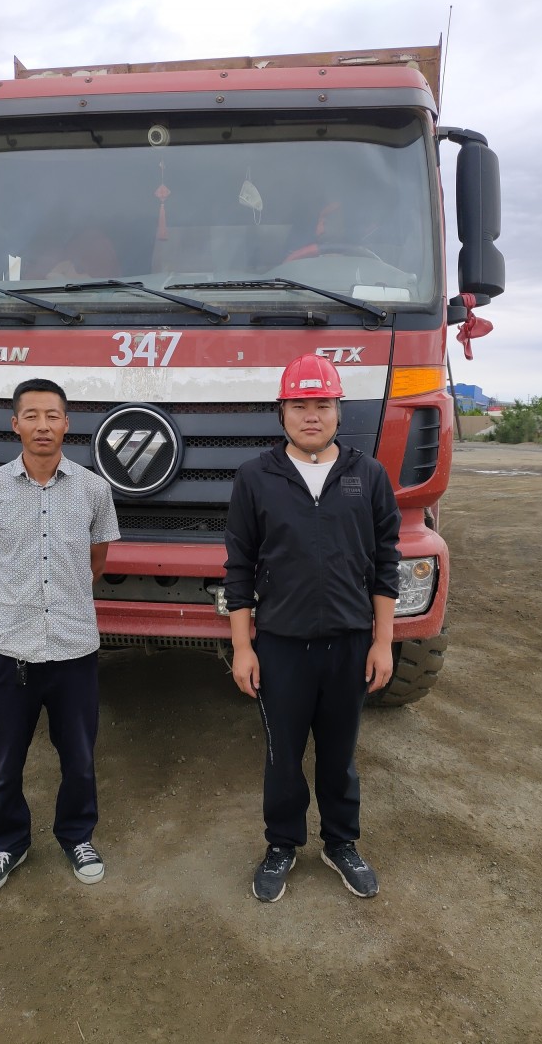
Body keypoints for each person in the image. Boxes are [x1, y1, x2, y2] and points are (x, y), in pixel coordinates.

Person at [223, 353, 401, 903]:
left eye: (322, 404)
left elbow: (386, 562)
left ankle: (341, 843)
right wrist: (243, 647)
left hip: (350, 643)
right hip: (281, 646)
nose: (311, 415)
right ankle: (282, 844)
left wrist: (383, 642)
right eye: (299, 405)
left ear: (338, 411)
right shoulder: (256, 477)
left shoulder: (368, 475)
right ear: (281, 412)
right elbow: (238, 567)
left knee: (340, 756)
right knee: (283, 756)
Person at [0, 378, 120, 896]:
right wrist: (12, 609)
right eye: (31, 415)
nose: (42, 425)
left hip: (74, 647)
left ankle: (77, 836)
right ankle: (9, 842)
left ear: (67, 424)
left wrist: (61, 601)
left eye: (52, 415)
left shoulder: (94, 489)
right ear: (16, 424)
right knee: (5, 759)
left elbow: (96, 562)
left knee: (79, 758)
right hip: (9, 648)